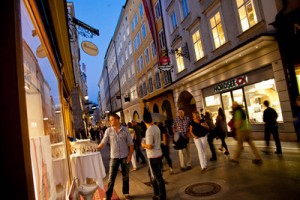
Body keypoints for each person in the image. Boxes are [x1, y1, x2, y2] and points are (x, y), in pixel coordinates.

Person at [97, 114, 134, 200]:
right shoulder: (108, 131)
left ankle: (126, 193)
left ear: (117, 120)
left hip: (125, 156)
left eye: (112, 120)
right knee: (111, 177)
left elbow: (131, 144)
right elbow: (103, 143)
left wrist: (130, 156)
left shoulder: (125, 130)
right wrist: (95, 149)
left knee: (125, 176)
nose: (110, 122)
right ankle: (108, 196)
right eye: (110, 120)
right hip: (114, 157)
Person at [141, 108, 166, 200]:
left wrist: (143, 145)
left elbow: (150, 146)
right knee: (153, 174)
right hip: (158, 154)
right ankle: (157, 192)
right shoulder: (156, 127)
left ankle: (161, 196)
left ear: (144, 121)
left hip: (153, 156)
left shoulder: (149, 131)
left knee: (157, 177)